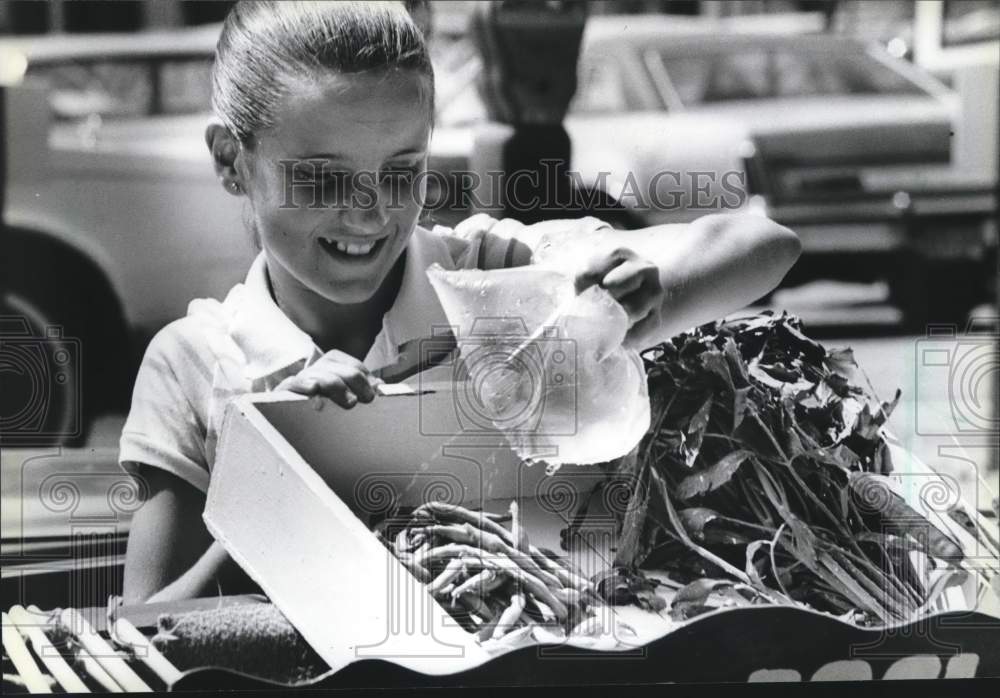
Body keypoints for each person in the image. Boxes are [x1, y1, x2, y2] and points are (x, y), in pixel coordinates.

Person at [120, 1, 801, 604]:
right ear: (230, 161)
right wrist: (283, 464)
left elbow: (765, 244)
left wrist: (630, 292)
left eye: (402, 171)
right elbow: (147, 624)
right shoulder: (193, 364)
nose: (370, 213)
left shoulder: (489, 276)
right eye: (323, 178)